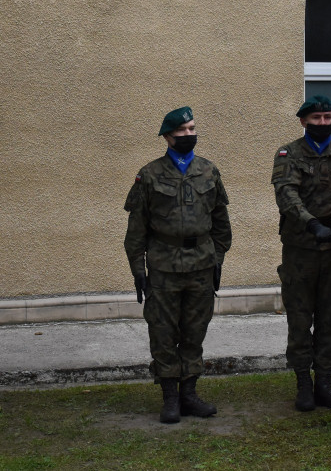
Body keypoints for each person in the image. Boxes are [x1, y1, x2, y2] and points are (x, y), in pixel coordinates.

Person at [123, 106, 232, 424]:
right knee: (163, 333)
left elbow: (221, 225)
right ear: (168, 137)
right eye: (182, 131)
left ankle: (190, 395)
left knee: (194, 332)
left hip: (200, 267)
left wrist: (217, 259)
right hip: (164, 269)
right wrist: (138, 271)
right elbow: (136, 231)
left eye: (192, 129)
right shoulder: (150, 175)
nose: (189, 135)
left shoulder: (209, 171)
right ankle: (170, 397)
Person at [271, 94, 331, 412]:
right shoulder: (288, 154)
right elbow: (286, 194)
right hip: (301, 250)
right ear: (304, 121)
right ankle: (304, 382)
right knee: (300, 320)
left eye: (327, 118)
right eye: (316, 119)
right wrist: (310, 223)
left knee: (330, 319)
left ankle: (325, 382)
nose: (322, 124)